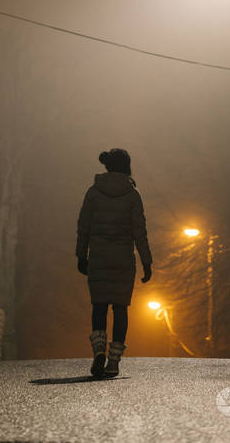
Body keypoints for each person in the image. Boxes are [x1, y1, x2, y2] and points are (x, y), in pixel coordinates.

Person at [76, 147, 153, 377]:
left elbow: (84, 227)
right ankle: (114, 361)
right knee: (120, 308)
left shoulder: (93, 192)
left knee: (99, 306)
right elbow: (140, 232)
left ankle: (98, 350)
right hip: (123, 261)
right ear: (126, 166)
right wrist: (147, 262)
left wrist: (81, 255)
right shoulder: (133, 195)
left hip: (98, 257)